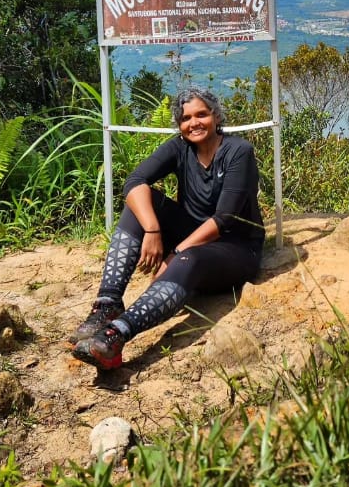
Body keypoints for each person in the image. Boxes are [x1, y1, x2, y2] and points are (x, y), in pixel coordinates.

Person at [70, 87, 264, 370]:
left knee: (190, 257)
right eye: (186, 118)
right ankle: (107, 305)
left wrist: (175, 252)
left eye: (201, 114)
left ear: (216, 116)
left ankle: (116, 335)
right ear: (179, 124)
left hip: (235, 247)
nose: (194, 123)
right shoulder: (180, 147)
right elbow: (135, 181)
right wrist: (152, 230)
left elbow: (224, 218)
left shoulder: (238, 152)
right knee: (139, 205)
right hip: (192, 234)